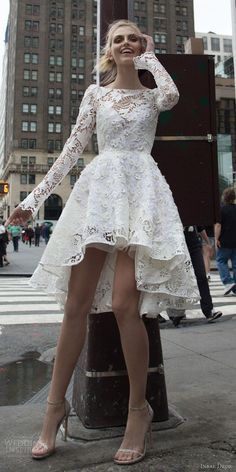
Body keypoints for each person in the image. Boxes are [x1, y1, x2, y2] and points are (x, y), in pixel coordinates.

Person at [5, 20, 199, 465]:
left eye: (133, 37)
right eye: (119, 39)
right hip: (99, 194)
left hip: (142, 196)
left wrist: (149, 57)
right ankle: (55, 409)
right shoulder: (95, 95)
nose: (127, 43)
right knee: (76, 305)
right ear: (108, 50)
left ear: (142, 45)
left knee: (125, 305)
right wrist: (33, 202)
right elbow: (74, 147)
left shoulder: (153, 94)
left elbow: (171, 96)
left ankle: (138, 411)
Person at [162, 226, 222, 327]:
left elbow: (199, 226)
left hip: (193, 244)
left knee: (201, 276)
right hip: (176, 245)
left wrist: (207, 241)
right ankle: (177, 311)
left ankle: (209, 311)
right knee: (178, 278)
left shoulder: (193, 211)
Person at [215, 187, 236, 296]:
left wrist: (217, 238)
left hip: (225, 240)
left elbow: (218, 225)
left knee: (221, 261)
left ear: (224, 197)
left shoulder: (222, 209)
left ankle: (228, 282)